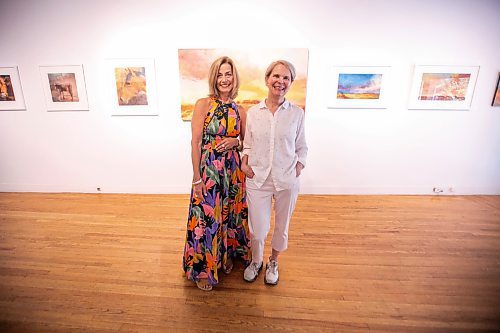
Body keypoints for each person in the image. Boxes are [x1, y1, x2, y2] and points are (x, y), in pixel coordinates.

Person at [182, 56, 251, 291]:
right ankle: (203, 269)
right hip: (209, 171)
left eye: (228, 74)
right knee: (206, 218)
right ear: (214, 78)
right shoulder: (204, 104)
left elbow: (246, 144)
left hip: (232, 173)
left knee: (230, 215)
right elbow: (195, 142)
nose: (224, 79)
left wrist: (235, 142)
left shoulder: (240, 110)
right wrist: (196, 177)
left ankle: (225, 257)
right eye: (220, 75)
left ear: (234, 78)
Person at [241, 60, 307, 285]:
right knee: (258, 230)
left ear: (290, 83)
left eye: (286, 78)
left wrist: (299, 166)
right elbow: (247, 143)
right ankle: (256, 261)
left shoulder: (296, 113)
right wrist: (244, 163)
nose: (280, 81)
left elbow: (301, 147)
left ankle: (273, 261)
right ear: (267, 79)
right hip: (257, 178)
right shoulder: (253, 112)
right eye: (276, 76)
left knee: (282, 226)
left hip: (286, 178)